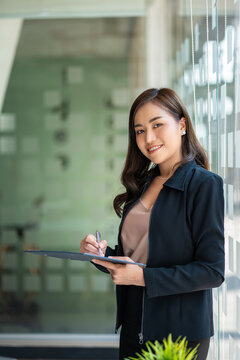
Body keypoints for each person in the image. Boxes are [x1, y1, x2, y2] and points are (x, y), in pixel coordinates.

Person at [80, 88, 225, 360]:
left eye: (157, 125)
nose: (148, 138)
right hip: (135, 325)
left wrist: (143, 278)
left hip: (179, 336)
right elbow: (137, 260)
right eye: (139, 130)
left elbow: (212, 271)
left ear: (182, 125)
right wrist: (101, 255)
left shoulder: (204, 185)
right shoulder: (142, 184)